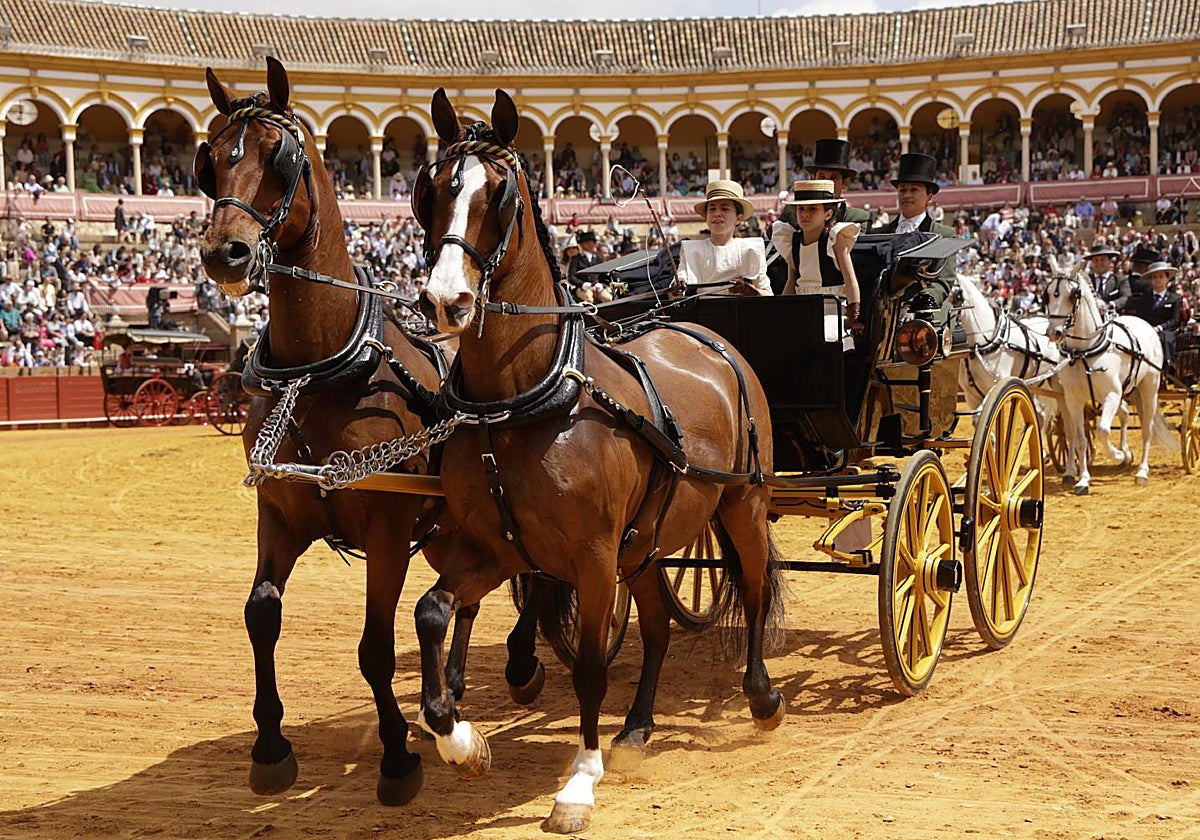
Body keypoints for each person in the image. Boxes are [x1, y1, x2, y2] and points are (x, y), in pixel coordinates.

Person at [871, 153, 958, 317]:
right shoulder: (878, 234)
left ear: (929, 198)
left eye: (914, 190)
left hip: (921, 314)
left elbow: (943, 282)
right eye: (902, 190)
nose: (906, 195)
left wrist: (914, 306)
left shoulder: (944, 235)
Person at [769, 179, 862, 329]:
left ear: (828, 214)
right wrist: (781, 310)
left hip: (832, 311)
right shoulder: (792, 241)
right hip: (802, 309)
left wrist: (854, 315)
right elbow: (791, 282)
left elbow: (850, 281)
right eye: (801, 209)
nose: (805, 214)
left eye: (812, 209)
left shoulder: (834, 238)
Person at [675, 179, 771, 296]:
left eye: (725, 209)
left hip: (740, 307)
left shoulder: (750, 250)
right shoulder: (693, 250)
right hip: (705, 307)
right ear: (706, 216)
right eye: (712, 209)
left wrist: (749, 290)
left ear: (738, 218)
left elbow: (767, 294)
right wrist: (677, 287)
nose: (717, 214)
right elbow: (675, 292)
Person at [811, 139, 871, 224]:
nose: (827, 183)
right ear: (813, 179)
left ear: (845, 183)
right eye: (822, 177)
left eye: (833, 178)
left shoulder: (858, 220)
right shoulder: (797, 217)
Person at [1136, 261, 1182, 371]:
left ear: (1167, 279)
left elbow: (1175, 320)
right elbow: (1140, 316)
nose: (1157, 279)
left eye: (1161, 276)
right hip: (1147, 329)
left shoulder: (1175, 299)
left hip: (1167, 330)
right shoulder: (1144, 298)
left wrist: (1159, 328)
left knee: (1165, 339)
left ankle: (1168, 367)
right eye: (1154, 277)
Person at [1084, 245, 1130, 314]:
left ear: (1109, 261)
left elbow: (1126, 296)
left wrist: (1111, 305)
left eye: (1103, 259)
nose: (1099, 263)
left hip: (1113, 317)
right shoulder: (1085, 281)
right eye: (1096, 260)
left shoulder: (1120, 280)